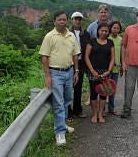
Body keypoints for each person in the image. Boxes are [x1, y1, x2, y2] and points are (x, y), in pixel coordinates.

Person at [39, 11, 80, 146]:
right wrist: (47, 76)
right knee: (58, 103)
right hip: (55, 73)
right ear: (54, 21)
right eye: (59, 20)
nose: (62, 21)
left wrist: (76, 71)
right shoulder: (49, 36)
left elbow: (75, 55)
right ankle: (59, 132)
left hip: (69, 72)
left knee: (67, 100)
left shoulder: (71, 35)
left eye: (64, 19)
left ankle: (62, 124)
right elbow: (44, 56)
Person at [85, 23, 115, 123]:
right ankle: (94, 114)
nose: (104, 32)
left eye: (106, 31)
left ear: (108, 32)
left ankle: (101, 114)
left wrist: (108, 71)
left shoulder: (110, 42)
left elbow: (112, 58)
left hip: (105, 72)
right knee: (93, 94)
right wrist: (92, 71)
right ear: (98, 30)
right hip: (93, 72)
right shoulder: (92, 41)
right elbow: (86, 57)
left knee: (103, 94)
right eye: (102, 30)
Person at [67, 12, 90, 121]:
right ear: (72, 20)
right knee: (68, 88)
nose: (78, 21)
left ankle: (77, 110)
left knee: (78, 88)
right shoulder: (67, 32)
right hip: (69, 64)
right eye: (76, 19)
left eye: (79, 19)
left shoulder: (85, 33)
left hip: (80, 64)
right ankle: (68, 112)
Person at [108, 21, 123, 115]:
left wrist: (122, 65)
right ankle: (102, 109)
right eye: (114, 27)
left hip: (116, 68)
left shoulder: (120, 40)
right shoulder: (107, 38)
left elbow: (122, 54)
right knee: (105, 88)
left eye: (117, 28)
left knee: (113, 89)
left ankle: (111, 109)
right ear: (110, 28)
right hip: (107, 68)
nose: (116, 29)